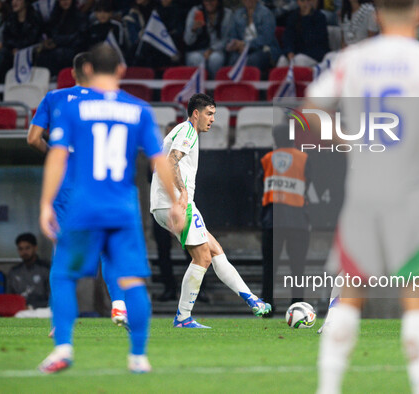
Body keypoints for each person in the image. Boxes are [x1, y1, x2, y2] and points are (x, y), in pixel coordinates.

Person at [305, 0, 419, 392]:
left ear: (376, 17)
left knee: (348, 298)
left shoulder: (353, 59)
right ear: (418, 14)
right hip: (412, 192)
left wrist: (351, 142)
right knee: (415, 300)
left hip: (365, 191)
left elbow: (309, 114)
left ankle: (328, 387)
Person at [37, 43, 184, 374]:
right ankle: (138, 357)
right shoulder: (139, 109)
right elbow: (159, 161)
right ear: (121, 70)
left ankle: (63, 348)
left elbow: (57, 157)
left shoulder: (72, 110)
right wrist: (176, 199)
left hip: (82, 207)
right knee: (132, 281)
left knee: (63, 276)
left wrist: (46, 203)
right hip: (122, 209)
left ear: (87, 71)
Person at [150, 93, 272, 328]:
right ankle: (183, 317)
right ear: (196, 113)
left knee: (215, 250)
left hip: (169, 203)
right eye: (209, 113)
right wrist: (183, 194)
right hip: (175, 203)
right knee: (203, 257)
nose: (213, 119)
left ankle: (252, 299)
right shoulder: (187, 131)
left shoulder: (182, 131)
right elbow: (171, 161)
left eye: (214, 114)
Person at [27, 52, 128, 327]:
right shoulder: (109, 101)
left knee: (64, 252)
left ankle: (61, 318)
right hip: (99, 180)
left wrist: (56, 158)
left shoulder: (54, 98)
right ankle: (119, 306)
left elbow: (33, 138)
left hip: (65, 183)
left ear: (74, 73)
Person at [260, 124, 311, 313]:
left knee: (269, 268)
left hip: (272, 221)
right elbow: (309, 185)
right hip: (298, 221)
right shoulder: (303, 158)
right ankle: (298, 307)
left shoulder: (267, 159)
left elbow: (260, 188)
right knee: (298, 268)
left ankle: (267, 307)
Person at [227, 0, 281, 75]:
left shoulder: (266, 14)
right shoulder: (237, 14)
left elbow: (266, 38)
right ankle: (235, 86)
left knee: (252, 60)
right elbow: (233, 36)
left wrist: (246, 45)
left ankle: (251, 85)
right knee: (233, 59)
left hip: (264, 49)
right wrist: (236, 45)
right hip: (242, 49)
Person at [35, 0, 88, 76]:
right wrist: (47, 42)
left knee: (59, 54)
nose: (65, 1)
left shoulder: (80, 16)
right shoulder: (55, 16)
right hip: (56, 48)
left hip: (73, 49)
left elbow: (80, 38)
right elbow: (49, 32)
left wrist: (57, 41)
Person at [184, 0, 233, 79]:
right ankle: (199, 88)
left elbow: (226, 39)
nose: (209, 2)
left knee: (215, 59)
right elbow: (188, 41)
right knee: (196, 58)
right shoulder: (195, 11)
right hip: (197, 49)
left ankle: (213, 88)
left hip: (217, 50)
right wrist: (193, 29)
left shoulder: (227, 14)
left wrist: (212, 49)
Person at [276, 0, 329, 67]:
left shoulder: (320, 17)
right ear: (298, 2)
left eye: (308, 1)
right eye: (302, 1)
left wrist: (306, 18)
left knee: (299, 60)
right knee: (282, 60)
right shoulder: (293, 17)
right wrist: (289, 51)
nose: (306, 3)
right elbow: (288, 37)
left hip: (315, 54)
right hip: (297, 52)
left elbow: (314, 40)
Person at [0, 0, 42, 80]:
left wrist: (19, 49)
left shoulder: (35, 17)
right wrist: (12, 49)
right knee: (4, 64)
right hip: (12, 53)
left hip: (31, 54)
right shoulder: (10, 18)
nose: (14, 3)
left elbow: (33, 39)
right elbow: (6, 38)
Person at [7, 233, 50, 308]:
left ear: (35, 248)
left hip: (43, 311)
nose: (24, 252)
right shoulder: (14, 272)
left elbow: (53, 298)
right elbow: (8, 298)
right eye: (21, 249)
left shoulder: (46, 269)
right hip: (19, 312)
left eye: (27, 248)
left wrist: (31, 307)